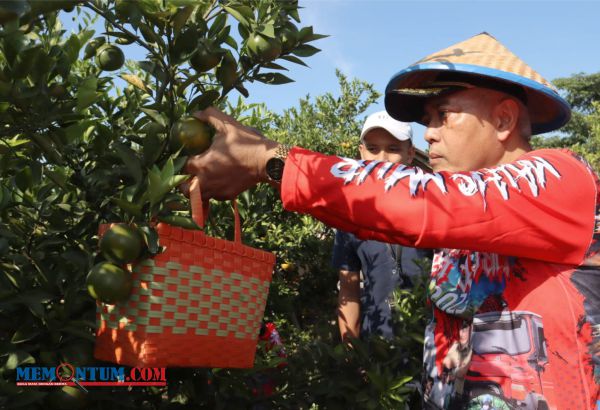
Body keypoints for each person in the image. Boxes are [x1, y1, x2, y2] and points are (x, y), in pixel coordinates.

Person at [186, 32, 599, 409]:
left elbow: (417, 203)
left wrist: (273, 162)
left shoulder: (560, 178)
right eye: (427, 121)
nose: (429, 134)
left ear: (505, 120)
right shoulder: (462, 228)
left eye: (443, 115)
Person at [333, 111, 428, 341]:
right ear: (361, 152)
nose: (382, 159)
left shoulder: (431, 205)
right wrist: (352, 353)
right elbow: (349, 291)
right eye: (373, 149)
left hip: (432, 346)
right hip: (378, 351)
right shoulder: (350, 217)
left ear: (410, 153)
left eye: (393, 149)